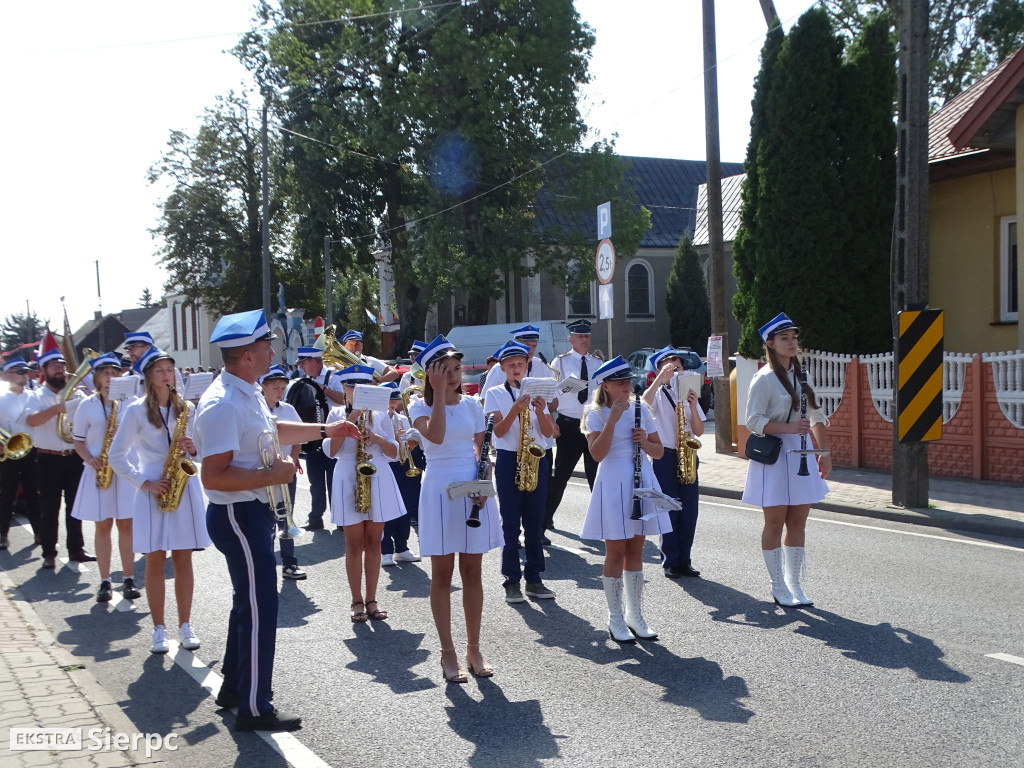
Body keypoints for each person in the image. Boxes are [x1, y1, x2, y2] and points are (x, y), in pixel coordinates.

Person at [194, 309, 358, 732]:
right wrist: (274, 475)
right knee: (261, 606)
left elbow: (274, 429)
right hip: (238, 513)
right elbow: (213, 476)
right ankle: (254, 707)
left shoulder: (244, 391)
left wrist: (327, 430)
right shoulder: (223, 403)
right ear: (248, 355)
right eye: (267, 346)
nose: (273, 351)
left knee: (247, 602)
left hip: (251, 511)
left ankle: (235, 687)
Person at [409, 335, 502, 682]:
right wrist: (436, 395)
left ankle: (474, 648)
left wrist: (483, 486)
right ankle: (448, 652)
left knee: (473, 572)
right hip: (438, 488)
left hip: (469, 486)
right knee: (443, 574)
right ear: (430, 375)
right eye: (444, 370)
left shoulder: (473, 405)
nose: (453, 375)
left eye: (456, 368)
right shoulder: (418, 405)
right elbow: (434, 435)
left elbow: (482, 452)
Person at [107, 346, 210, 653]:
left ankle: (185, 624)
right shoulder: (135, 410)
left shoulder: (185, 409)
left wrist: (194, 449)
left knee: (183, 558)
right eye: (160, 371)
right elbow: (117, 456)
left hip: (184, 483)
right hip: (155, 485)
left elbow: (202, 451)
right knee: (154, 559)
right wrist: (144, 482)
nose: (167, 376)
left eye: (170, 370)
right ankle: (158, 629)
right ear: (149, 378)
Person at [742, 313, 831, 608]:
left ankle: (795, 583)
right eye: (785, 338)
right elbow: (753, 421)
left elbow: (816, 415)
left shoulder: (801, 375)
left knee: (798, 523)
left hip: (802, 453)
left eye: (794, 337)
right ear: (770, 343)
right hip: (776, 454)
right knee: (775, 521)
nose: (792, 342)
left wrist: (825, 452)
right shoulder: (764, 378)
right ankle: (778, 585)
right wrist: (790, 428)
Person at [581, 355, 669, 643]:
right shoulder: (594, 412)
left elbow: (659, 452)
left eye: (628, 381)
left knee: (637, 548)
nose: (626, 387)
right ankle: (615, 617)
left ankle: (635, 614)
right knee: (615, 550)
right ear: (605, 386)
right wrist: (614, 419)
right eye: (620, 383)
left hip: (642, 478)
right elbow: (597, 455)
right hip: (613, 480)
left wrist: (645, 440)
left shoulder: (641, 408)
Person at [324, 366, 406, 622]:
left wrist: (378, 438)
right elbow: (331, 450)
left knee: (374, 541)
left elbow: (394, 452)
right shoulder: (336, 413)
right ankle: (356, 600)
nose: (356, 393)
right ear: (345, 390)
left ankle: (371, 598)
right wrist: (353, 416)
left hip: (377, 474)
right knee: (353, 544)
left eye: (362, 389)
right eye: (351, 388)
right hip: (348, 474)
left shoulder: (381, 415)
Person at [483, 341, 556, 603]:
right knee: (511, 523)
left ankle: (535, 579)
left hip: (536, 458)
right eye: (511, 365)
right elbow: (497, 434)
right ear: (502, 368)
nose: (516, 369)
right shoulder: (495, 393)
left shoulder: (538, 392)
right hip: (509, 459)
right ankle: (511, 580)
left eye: (520, 364)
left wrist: (541, 412)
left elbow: (548, 433)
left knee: (535, 523)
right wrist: (515, 409)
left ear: (527, 366)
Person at [71, 354, 140, 603]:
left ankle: (129, 578)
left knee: (126, 525)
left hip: (125, 469)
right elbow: (78, 440)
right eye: (105, 372)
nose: (110, 376)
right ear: (97, 378)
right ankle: (105, 581)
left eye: (114, 371)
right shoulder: (87, 405)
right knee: (103, 526)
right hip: (99, 468)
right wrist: (89, 458)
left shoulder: (131, 402)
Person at [24, 347, 95, 568]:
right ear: (44, 369)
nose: (60, 370)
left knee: (75, 506)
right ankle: (49, 553)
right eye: (54, 366)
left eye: (62, 366)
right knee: (49, 508)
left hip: (74, 457)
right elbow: (31, 421)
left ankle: (76, 549)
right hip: (48, 459)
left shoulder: (78, 393)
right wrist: (57, 409)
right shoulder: (36, 395)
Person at [642, 346, 707, 579]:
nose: (675, 370)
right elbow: (643, 404)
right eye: (669, 366)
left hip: (687, 455)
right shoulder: (657, 393)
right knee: (669, 509)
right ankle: (670, 560)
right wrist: (661, 379)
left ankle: (685, 560)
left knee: (689, 511)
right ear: (659, 370)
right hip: (665, 456)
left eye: (677, 366)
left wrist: (692, 406)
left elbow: (698, 431)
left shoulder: (689, 391)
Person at [545, 319, 600, 535]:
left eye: (586, 336)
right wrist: (570, 385)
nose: (584, 340)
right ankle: (546, 518)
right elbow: (553, 394)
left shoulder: (596, 363)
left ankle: (602, 521)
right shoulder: (560, 362)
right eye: (580, 336)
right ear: (571, 339)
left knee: (596, 476)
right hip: (568, 425)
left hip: (592, 425)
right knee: (561, 475)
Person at [285, 347, 344, 530]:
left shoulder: (334, 376)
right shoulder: (305, 381)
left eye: (303, 363)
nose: (301, 367)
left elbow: (344, 400)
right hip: (315, 437)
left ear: (313, 361)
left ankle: (341, 519)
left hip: (335, 435)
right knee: (315, 480)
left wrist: (323, 389)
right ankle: (316, 517)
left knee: (335, 480)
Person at [259, 365, 306, 581]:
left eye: (282, 387)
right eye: (275, 387)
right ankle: (266, 564)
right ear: (263, 387)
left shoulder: (287, 409)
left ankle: (289, 563)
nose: (279, 391)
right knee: (265, 518)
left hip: (285, 470)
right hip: (263, 473)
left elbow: (298, 437)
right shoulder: (256, 409)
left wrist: (293, 461)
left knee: (286, 516)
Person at [0, 358, 41, 550]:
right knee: (6, 493)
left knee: (33, 493)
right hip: (7, 451)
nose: (24, 375)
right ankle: (2, 534)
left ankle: (39, 532)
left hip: (30, 449)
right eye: (19, 372)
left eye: (25, 372)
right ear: (8, 375)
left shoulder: (34, 396)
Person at [381, 382, 422, 567]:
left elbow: (413, 443)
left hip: (404, 465)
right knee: (388, 507)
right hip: (386, 465)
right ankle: (385, 549)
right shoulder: (377, 420)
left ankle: (402, 547)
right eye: (389, 399)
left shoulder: (403, 420)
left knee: (405, 505)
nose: (393, 403)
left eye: (395, 399)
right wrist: (396, 441)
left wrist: (411, 442)